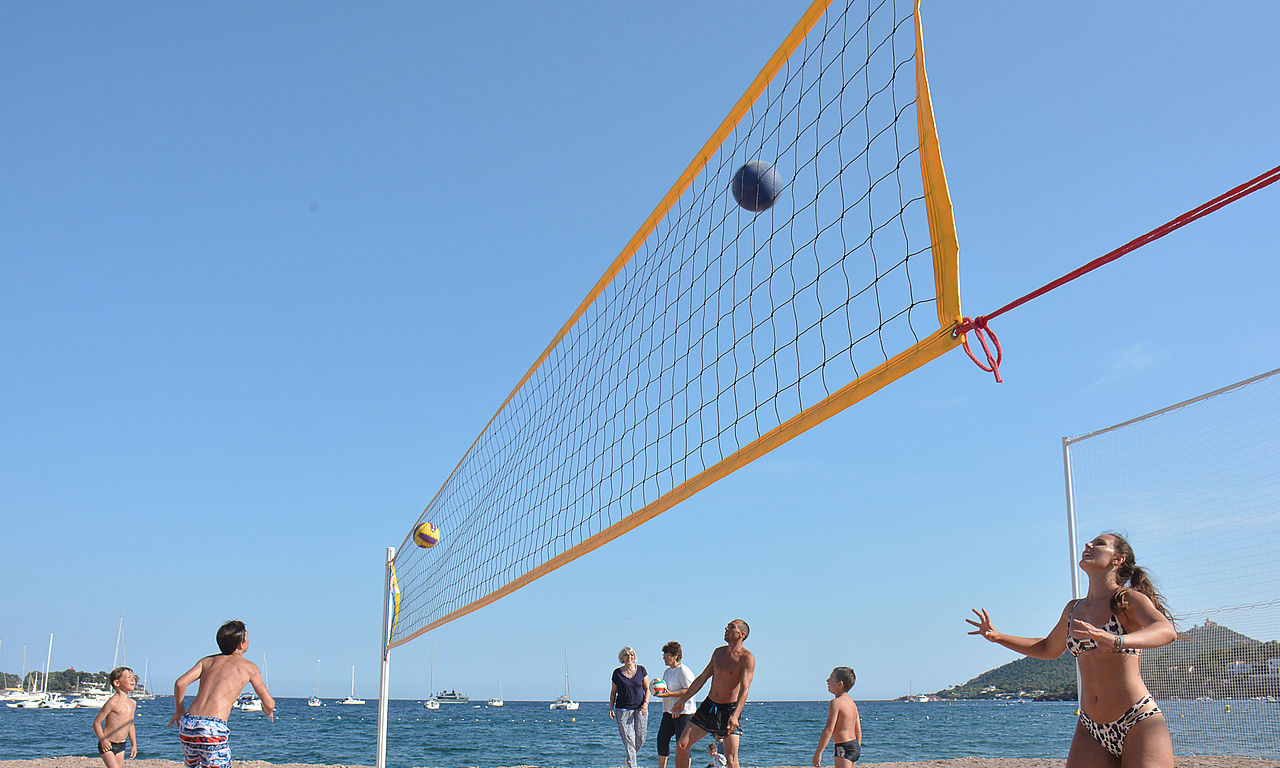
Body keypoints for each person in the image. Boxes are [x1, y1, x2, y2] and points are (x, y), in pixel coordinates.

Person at [967, 532, 1176, 767]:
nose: (1088, 544)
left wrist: (1117, 641)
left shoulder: (1126, 599)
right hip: (1090, 726)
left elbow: (1166, 630)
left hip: (1137, 719)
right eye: (1090, 542)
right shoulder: (1074, 609)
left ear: (1118, 559)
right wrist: (998, 637)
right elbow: (1048, 648)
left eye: (1099, 544)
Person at [168, 620, 275, 768]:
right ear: (241, 643)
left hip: (188, 724)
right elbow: (269, 702)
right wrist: (267, 710)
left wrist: (179, 711)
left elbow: (180, 683)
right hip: (212, 727)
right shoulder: (248, 667)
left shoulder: (207, 661)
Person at [671, 619, 756, 768]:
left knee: (731, 759)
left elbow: (744, 688)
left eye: (731, 627)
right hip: (710, 705)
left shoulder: (746, 658)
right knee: (682, 745)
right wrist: (682, 700)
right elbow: (703, 677)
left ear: (742, 634)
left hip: (729, 710)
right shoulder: (718, 653)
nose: (726, 629)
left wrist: (736, 715)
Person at [654, 640, 697, 768]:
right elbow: (665, 689)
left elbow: (689, 690)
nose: (664, 658)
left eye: (666, 655)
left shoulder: (683, 671)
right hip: (669, 711)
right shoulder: (667, 672)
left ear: (675, 656)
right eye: (664, 655)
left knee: (682, 744)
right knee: (662, 739)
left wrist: (670, 694)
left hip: (684, 713)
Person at [609, 645, 650, 768]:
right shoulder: (617, 673)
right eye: (626, 655)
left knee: (641, 739)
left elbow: (647, 688)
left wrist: (646, 704)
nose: (629, 657)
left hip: (640, 709)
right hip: (623, 710)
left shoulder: (641, 670)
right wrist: (611, 708)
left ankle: (629, 760)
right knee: (629, 740)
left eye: (631, 655)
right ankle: (633, 765)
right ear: (622, 658)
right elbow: (613, 692)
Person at [812, 666, 861, 767]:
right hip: (854, 745)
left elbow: (829, 730)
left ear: (840, 684)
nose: (827, 680)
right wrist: (857, 749)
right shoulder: (852, 703)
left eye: (831, 678)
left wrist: (818, 753)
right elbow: (858, 731)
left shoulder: (836, 703)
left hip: (843, 747)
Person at [92, 667, 138, 767]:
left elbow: (130, 724)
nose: (133, 680)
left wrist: (134, 744)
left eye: (133, 677)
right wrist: (103, 740)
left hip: (122, 744)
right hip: (108, 744)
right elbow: (96, 723)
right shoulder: (112, 703)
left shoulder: (132, 703)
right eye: (128, 677)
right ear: (117, 683)